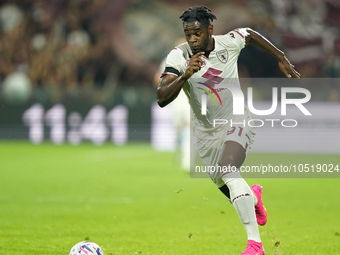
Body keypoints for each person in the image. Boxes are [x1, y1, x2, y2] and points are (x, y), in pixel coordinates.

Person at [157, 6, 300, 255]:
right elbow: (161, 97)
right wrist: (185, 75)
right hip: (205, 133)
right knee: (228, 185)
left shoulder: (229, 42)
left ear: (210, 30)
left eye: (197, 33)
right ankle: (254, 197)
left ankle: (255, 245)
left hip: (237, 120)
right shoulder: (178, 57)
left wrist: (281, 57)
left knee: (228, 169)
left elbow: (250, 34)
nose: (192, 39)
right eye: (188, 34)